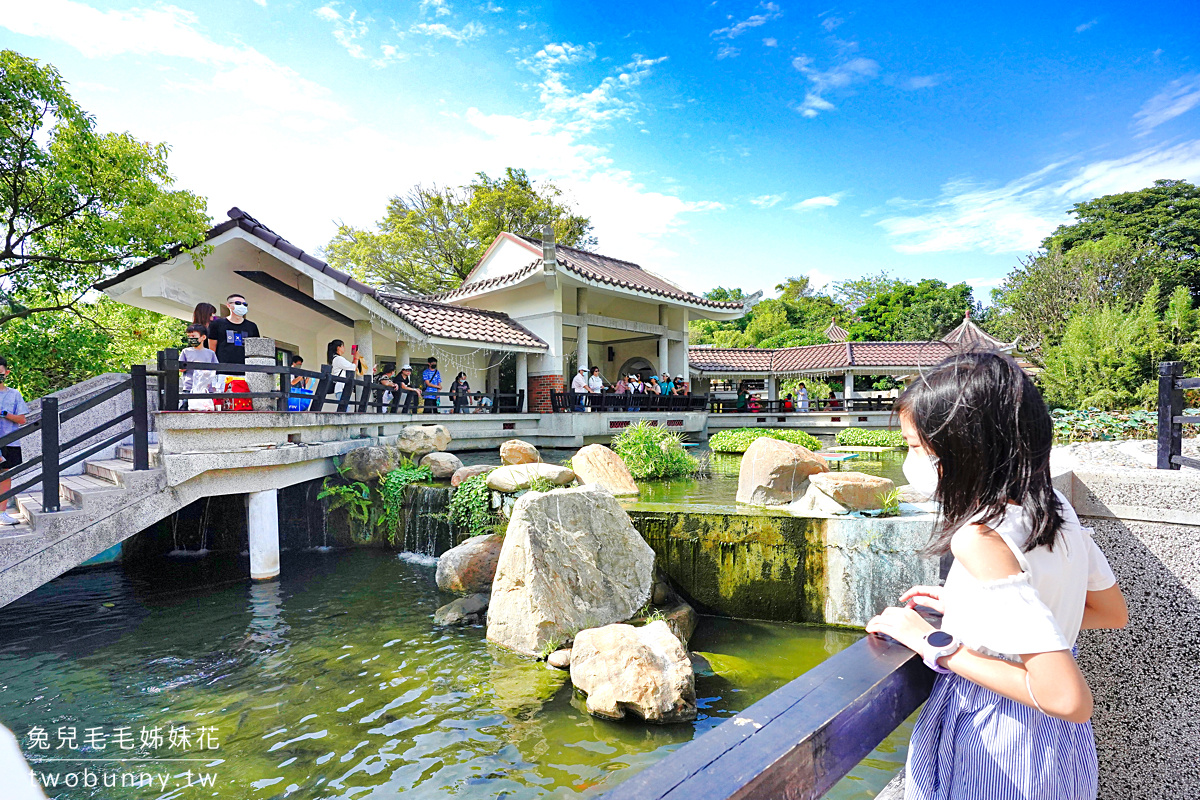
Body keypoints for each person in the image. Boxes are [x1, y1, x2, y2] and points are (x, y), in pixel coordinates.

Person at [865, 351, 1127, 800]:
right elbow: (1108, 611)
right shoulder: (1052, 507)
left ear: (961, 446)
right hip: (1056, 749)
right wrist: (972, 609)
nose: (910, 460)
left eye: (914, 446)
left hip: (997, 742)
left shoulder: (980, 535)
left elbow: (1068, 699)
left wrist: (934, 642)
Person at [0, 358, 28, 526]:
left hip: (9, 442)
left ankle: (2, 512)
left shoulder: (14, 394)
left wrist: (4, 414)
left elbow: (22, 419)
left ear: (6, 373)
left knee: (5, 476)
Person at [206, 293, 259, 368]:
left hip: (246, 371)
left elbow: (255, 350)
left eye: (244, 304)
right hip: (223, 371)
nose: (241, 306)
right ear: (228, 305)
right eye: (237, 303)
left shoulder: (252, 326)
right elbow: (212, 350)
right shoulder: (216, 324)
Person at [179, 324, 219, 410]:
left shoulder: (210, 353)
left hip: (206, 388)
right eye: (189, 336)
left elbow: (215, 368)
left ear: (203, 337)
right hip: (189, 386)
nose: (191, 338)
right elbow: (180, 368)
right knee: (187, 409)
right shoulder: (185, 351)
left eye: (193, 336)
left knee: (206, 409)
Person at [326, 340, 364, 404]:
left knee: (344, 408)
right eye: (343, 346)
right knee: (344, 408)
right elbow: (353, 368)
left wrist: (355, 359)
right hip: (341, 387)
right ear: (338, 347)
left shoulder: (336, 359)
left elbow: (350, 367)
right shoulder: (339, 359)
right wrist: (356, 358)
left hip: (341, 387)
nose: (344, 348)